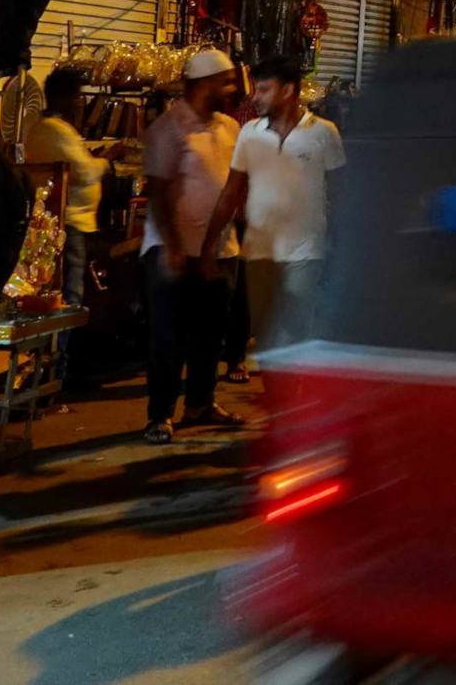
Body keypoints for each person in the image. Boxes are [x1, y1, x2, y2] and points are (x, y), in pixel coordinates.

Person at [204, 55, 344, 353]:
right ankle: (279, 391)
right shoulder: (249, 133)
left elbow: (340, 192)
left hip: (306, 251)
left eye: (264, 90)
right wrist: (209, 246)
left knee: (296, 331)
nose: (255, 97)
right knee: (266, 334)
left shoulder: (323, 133)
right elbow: (230, 192)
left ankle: (296, 390)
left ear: (288, 91)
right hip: (259, 252)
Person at [141, 47, 245, 442]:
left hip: (219, 250)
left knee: (210, 333)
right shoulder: (168, 129)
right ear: (204, 84)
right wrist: (172, 246)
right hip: (173, 251)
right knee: (169, 336)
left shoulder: (230, 128)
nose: (232, 89)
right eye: (226, 81)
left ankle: (201, 403)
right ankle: (160, 414)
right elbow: (159, 191)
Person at [25, 66, 103, 388]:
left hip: (67, 224)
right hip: (68, 225)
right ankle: (55, 376)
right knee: (68, 299)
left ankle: (53, 373)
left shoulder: (53, 128)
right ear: (64, 97)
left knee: (64, 296)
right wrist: (106, 161)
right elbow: (84, 171)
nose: (81, 102)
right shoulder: (54, 129)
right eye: (78, 95)